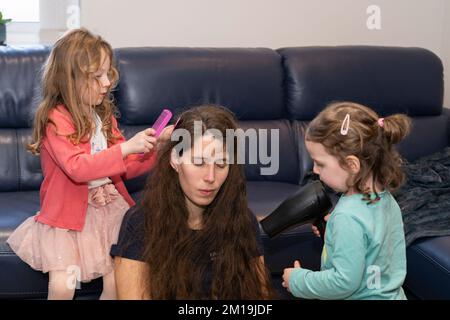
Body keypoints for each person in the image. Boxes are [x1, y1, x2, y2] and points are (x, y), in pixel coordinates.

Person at [6, 28, 171, 300]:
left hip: (107, 211)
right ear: (70, 80)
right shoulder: (55, 119)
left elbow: (126, 167)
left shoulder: (103, 117)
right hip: (68, 220)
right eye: (97, 77)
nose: (107, 83)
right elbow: (77, 167)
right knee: (64, 285)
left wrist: (156, 149)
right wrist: (126, 148)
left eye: (108, 74)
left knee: (117, 281)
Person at [111, 105, 276, 299]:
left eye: (222, 164)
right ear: (175, 160)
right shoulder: (140, 223)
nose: (210, 177)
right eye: (199, 163)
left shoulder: (242, 220)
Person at [282, 101, 411, 299]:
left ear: (352, 164)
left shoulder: (348, 217)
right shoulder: (386, 200)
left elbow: (342, 283)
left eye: (320, 164)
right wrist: (334, 233)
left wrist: (298, 280)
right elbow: (373, 246)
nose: (315, 171)